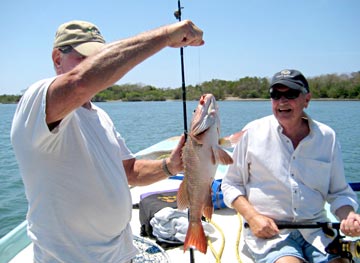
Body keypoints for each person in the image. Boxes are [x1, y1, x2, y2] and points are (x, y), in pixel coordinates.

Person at [10, 20, 203, 262]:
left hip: (121, 254)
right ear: (57, 59)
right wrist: (165, 36)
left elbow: (129, 171)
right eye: (86, 58)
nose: (96, 65)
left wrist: (170, 166)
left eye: (100, 57)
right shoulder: (35, 102)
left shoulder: (100, 116)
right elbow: (79, 82)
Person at [221, 69, 360, 263]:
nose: (282, 101)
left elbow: (338, 193)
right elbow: (230, 184)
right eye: (276, 95)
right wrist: (252, 217)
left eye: (291, 94)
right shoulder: (252, 132)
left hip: (318, 232)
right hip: (271, 235)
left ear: (307, 99)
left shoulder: (327, 137)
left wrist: (350, 216)